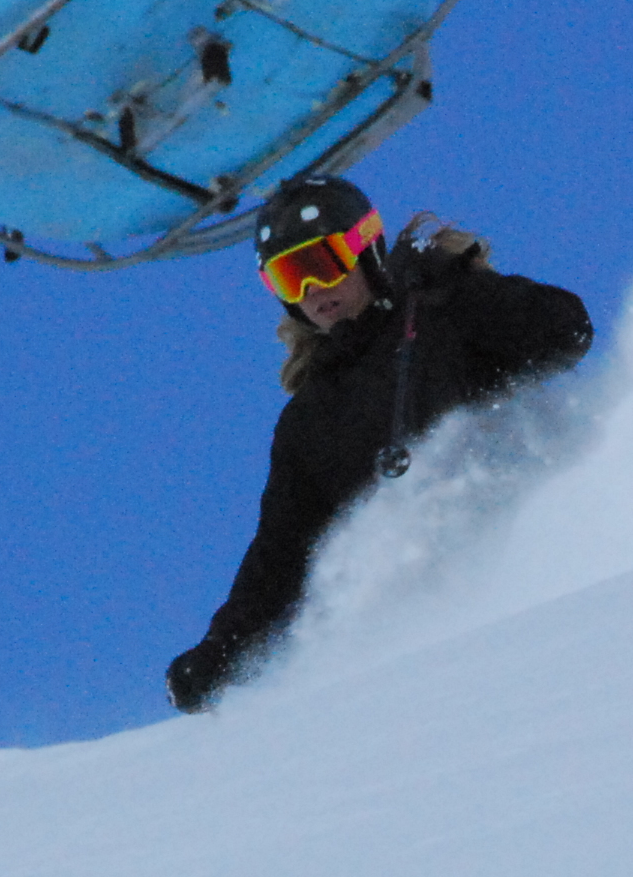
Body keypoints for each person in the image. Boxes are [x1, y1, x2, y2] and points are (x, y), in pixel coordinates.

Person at [165, 176, 594, 712]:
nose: (311, 293)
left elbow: (567, 332)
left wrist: (460, 286)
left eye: (319, 266)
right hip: (440, 628)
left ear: (363, 249)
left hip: (544, 549)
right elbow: (281, 557)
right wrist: (219, 653)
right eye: (288, 278)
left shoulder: (443, 312)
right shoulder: (309, 420)